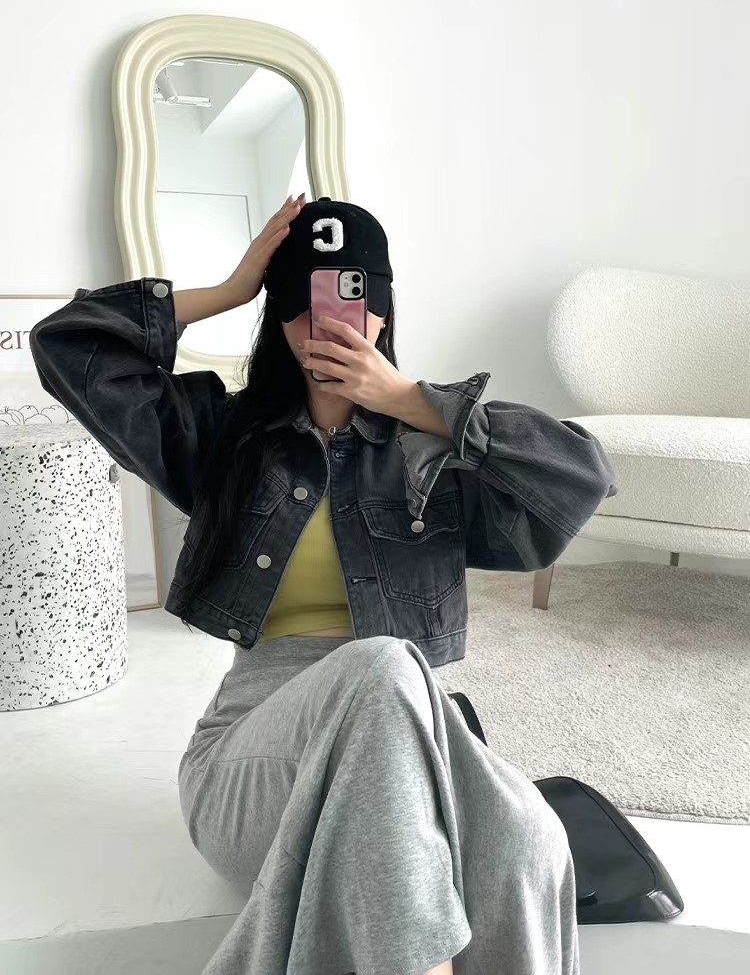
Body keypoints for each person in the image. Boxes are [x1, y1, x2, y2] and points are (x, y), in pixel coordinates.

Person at [29, 194, 618, 975]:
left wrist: (408, 400)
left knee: (530, 841)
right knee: (382, 665)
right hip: (254, 756)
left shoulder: (429, 455)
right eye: (301, 299)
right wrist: (230, 288)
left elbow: (581, 477)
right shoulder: (228, 440)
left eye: (351, 294)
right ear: (278, 317)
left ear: (382, 309)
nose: (326, 321)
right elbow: (68, 344)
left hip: (402, 733)